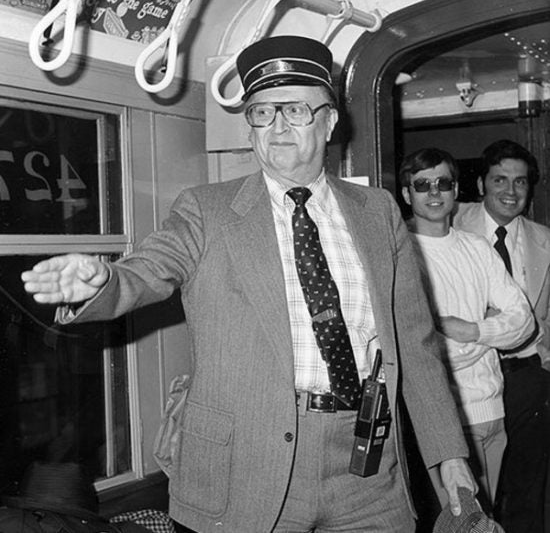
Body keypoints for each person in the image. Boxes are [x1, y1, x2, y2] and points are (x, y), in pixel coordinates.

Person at [21, 35, 475, 533]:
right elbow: (151, 267)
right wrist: (104, 280)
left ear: (329, 121)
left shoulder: (379, 213)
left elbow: (414, 343)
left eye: (295, 110)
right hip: (247, 468)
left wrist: (447, 453)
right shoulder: (206, 210)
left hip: (366, 466)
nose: (276, 126)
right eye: (261, 112)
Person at [399, 148, 535, 515]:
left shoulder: (476, 247)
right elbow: (420, 353)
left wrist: (471, 329)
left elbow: (523, 321)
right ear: (406, 194)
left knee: (487, 520)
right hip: (443, 423)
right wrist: (489, 337)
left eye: (443, 183)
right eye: (422, 184)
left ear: (456, 189)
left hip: (493, 413)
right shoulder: (402, 254)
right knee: (458, 523)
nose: (434, 192)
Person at [453, 139, 550, 533]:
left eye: (520, 182)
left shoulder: (545, 239)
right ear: (481, 184)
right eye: (500, 180)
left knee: (528, 487)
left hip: (529, 377)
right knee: (474, 492)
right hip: (472, 380)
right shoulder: (449, 227)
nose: (510, 192)